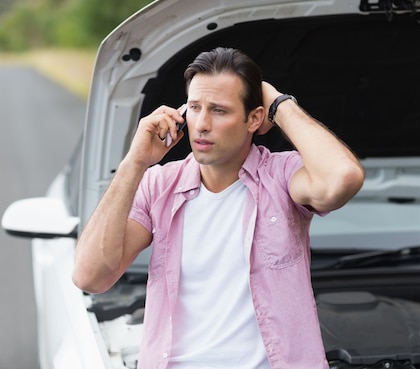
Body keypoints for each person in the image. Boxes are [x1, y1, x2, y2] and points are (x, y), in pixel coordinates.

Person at [72, 47, 365, 368]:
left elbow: (343, 178)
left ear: (254, 118)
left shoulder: (280, 177)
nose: (202, 124)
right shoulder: (159, 185)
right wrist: (134, 162)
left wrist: (278, 103)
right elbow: (90, 277)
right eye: (195, 107)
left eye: (219, 110)